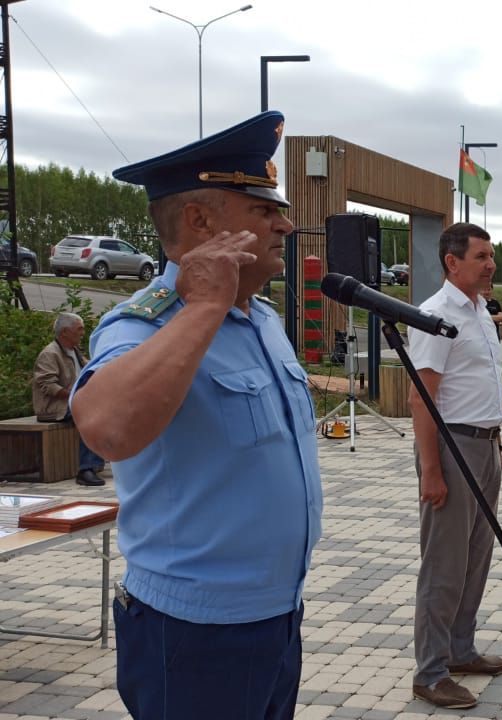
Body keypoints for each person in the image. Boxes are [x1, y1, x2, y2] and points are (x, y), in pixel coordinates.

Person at [70, 111, 320, 720]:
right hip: (193, 630)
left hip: (277, 617)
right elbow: (105, 428)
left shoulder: (261, 320)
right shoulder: (141, 324)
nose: (285, 224)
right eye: (264, 211)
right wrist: (203, 304)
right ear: (200, 221)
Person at [406, 222, 502, 710]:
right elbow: (422, 397)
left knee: (475, 556)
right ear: (453, 262)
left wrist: (497, 445)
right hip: (452, 448)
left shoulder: (480, 312)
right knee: (444, 564)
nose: (491, 264)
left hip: (485, 446)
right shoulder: (434, 314)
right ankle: (429, 672)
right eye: (482, 256)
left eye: (491, 256)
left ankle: (460, 650)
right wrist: (431, 470)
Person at [32, 311, 107, 486]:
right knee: (89, 416)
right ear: (65, 331)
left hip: (75, 402)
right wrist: (76, 394)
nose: (83, 332)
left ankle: (99, 463)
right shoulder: (50, 354)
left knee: (109, 410)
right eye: (79, 329)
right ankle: (85, 470)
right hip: (54, 407)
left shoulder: (74, 351)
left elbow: (91, 369)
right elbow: (47, 384)